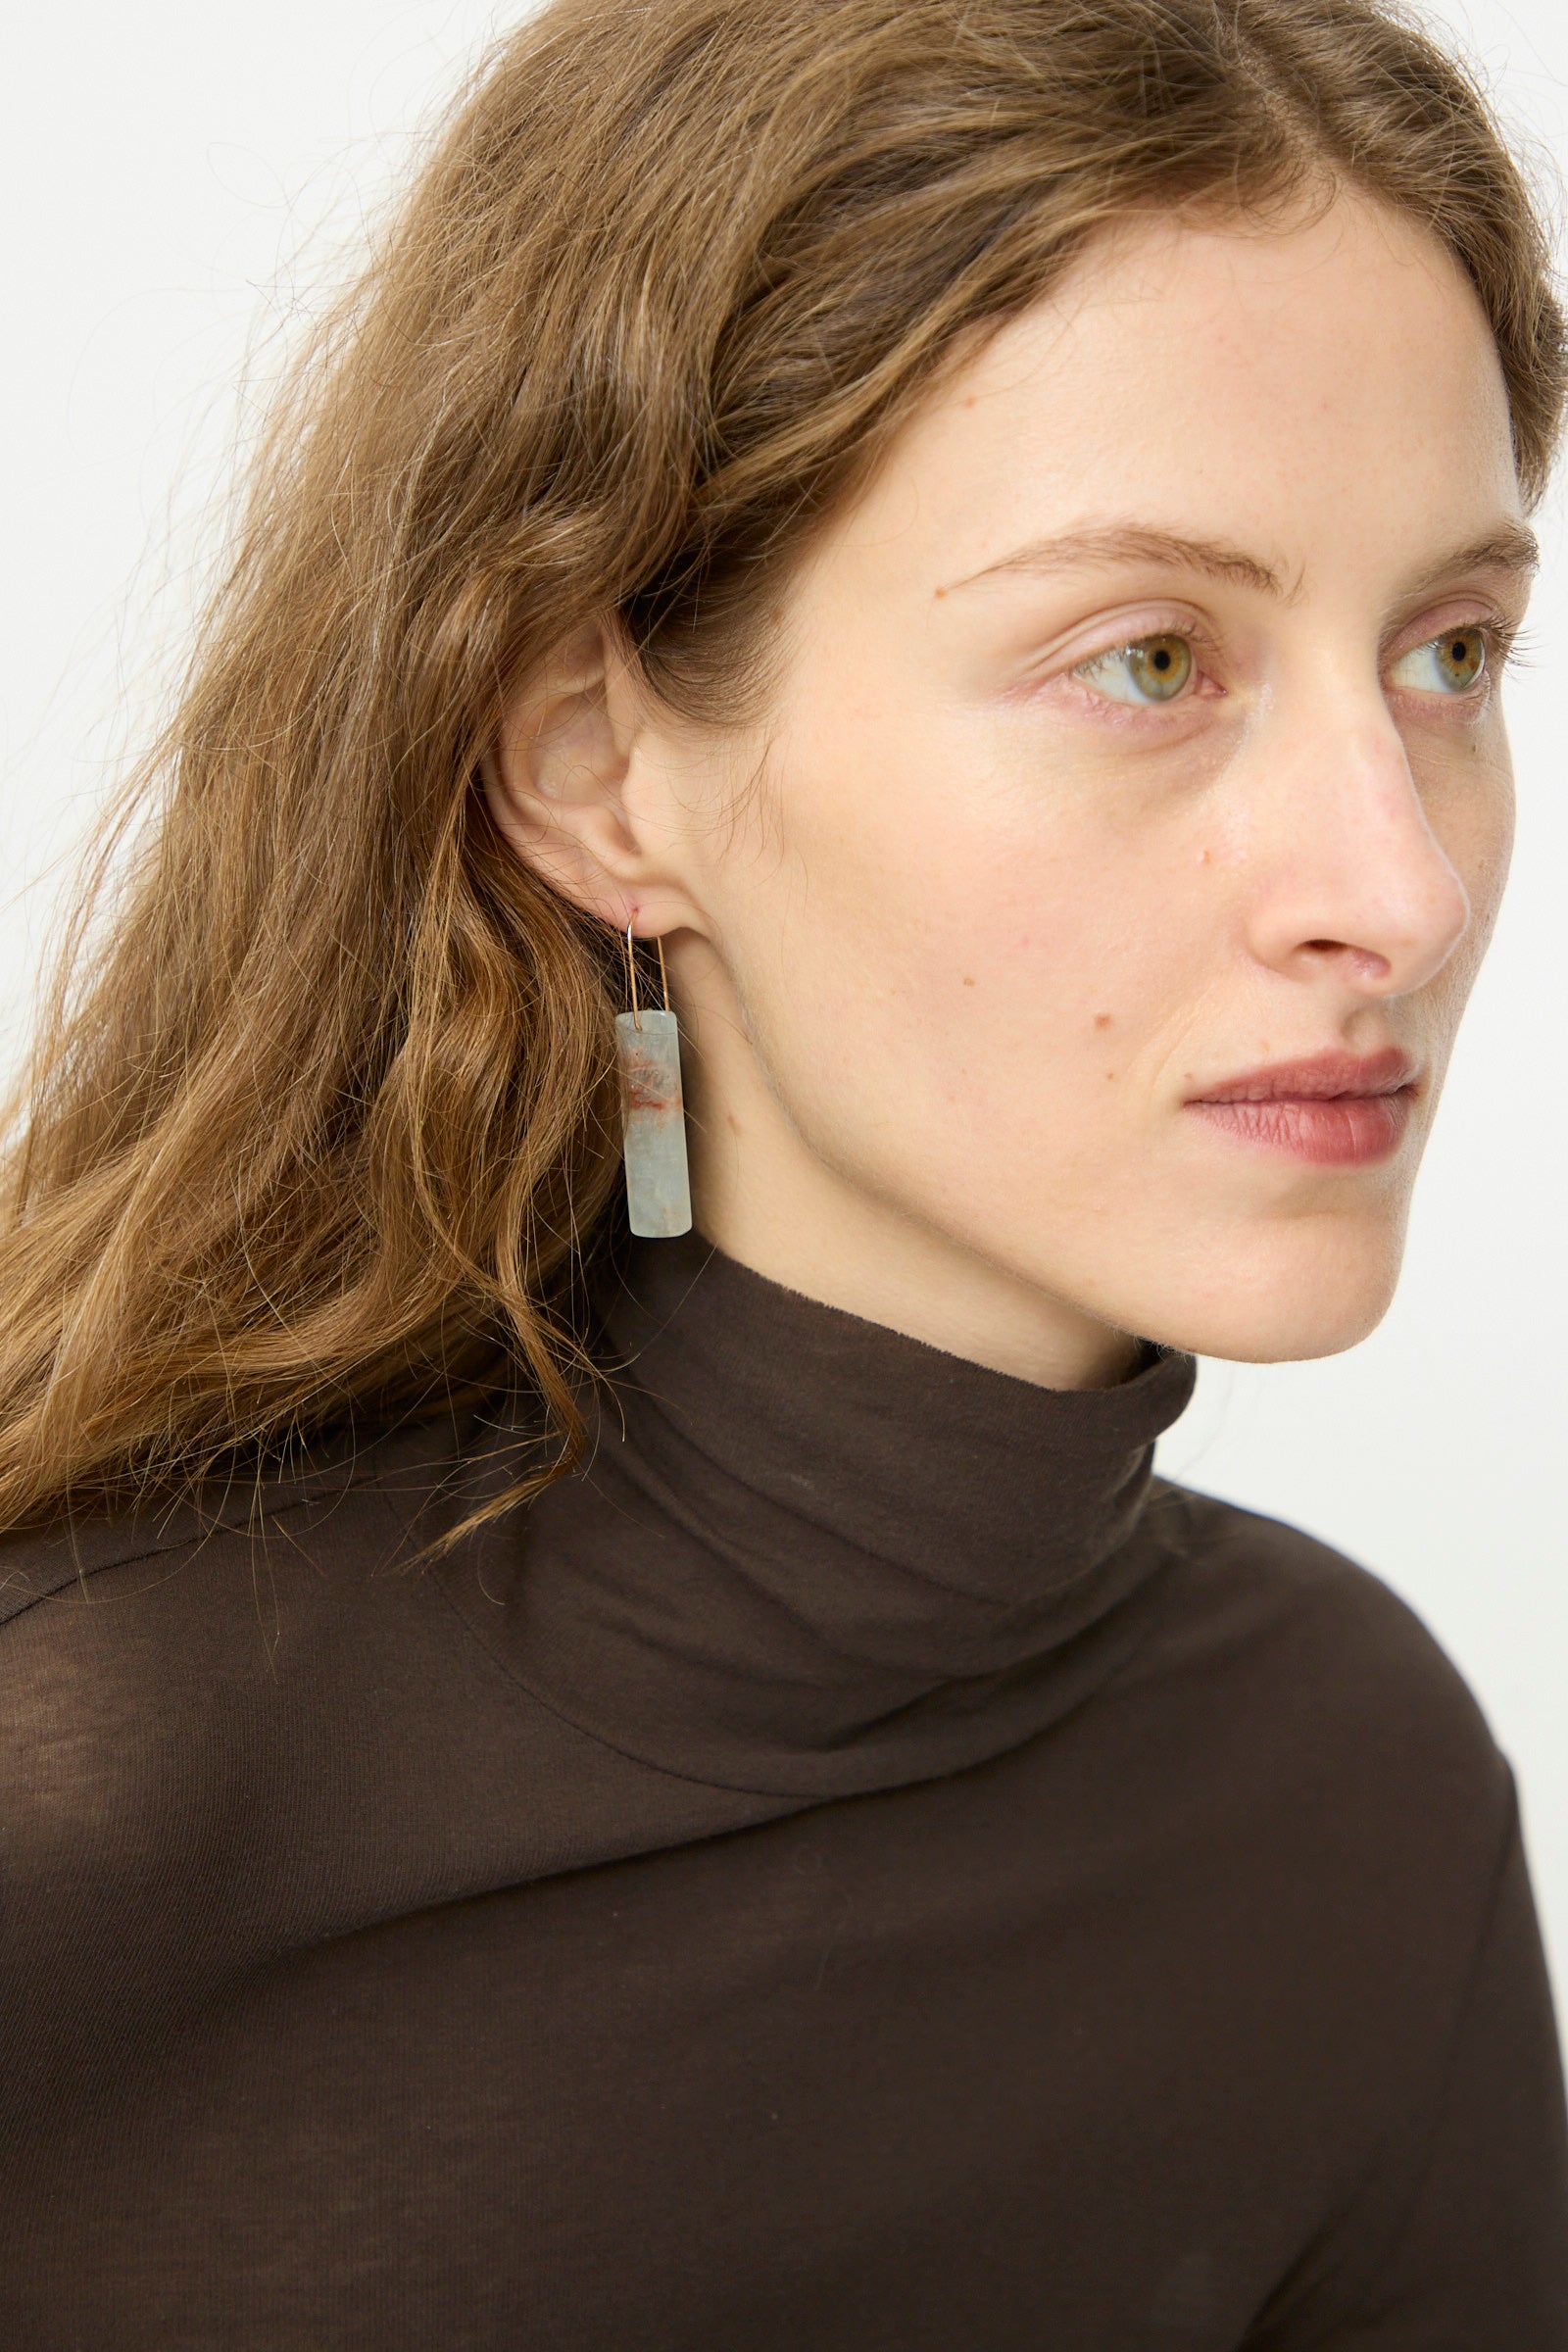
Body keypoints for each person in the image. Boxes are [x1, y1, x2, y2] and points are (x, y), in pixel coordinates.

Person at [1, 0, 1564, 2340]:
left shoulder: (1347, 1807)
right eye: (1146, 661)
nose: (1398, 888)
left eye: (1447, 648)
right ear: (598, 768)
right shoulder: (73, 1819)